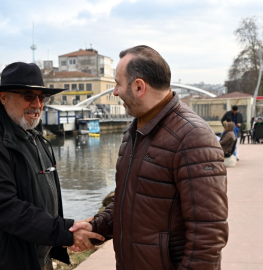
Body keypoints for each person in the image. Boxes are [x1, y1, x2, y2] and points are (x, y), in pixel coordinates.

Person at [70, 45, 229, 269]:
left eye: (117, 83)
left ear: (138, 87)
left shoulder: (192, 137)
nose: (115, 92)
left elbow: (208, 234)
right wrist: (97, 227)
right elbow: (128, 200)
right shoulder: (134, 133)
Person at [0, 62, 104, 270]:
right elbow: (6, 208)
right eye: (29, 96)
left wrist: (63, 233)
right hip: (2, 263)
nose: (37, 104)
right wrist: (66, 232)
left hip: (35, 260)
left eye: (42, 97)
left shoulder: (35, 137)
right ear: (3, 97)